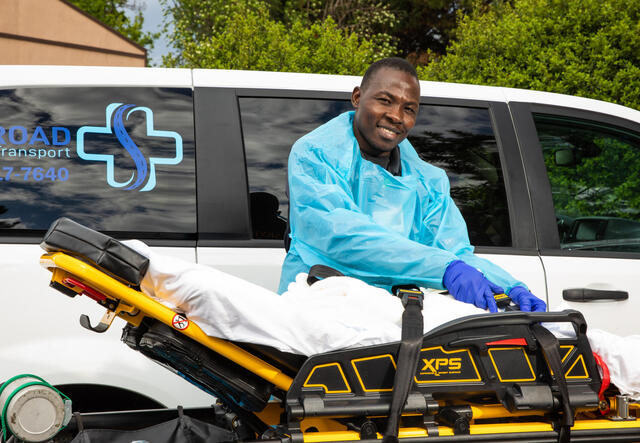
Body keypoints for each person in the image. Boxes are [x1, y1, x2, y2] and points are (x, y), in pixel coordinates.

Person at [278, 57, 546, 313]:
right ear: (357, 97)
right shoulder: (314, 155)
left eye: (409, 109)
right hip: (317, 307)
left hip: (386, 320)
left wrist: (511, 287)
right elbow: (342, 237)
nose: (396, 116)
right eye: (385, 101)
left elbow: (454, 251)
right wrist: (445, 269)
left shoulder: (427, 181)